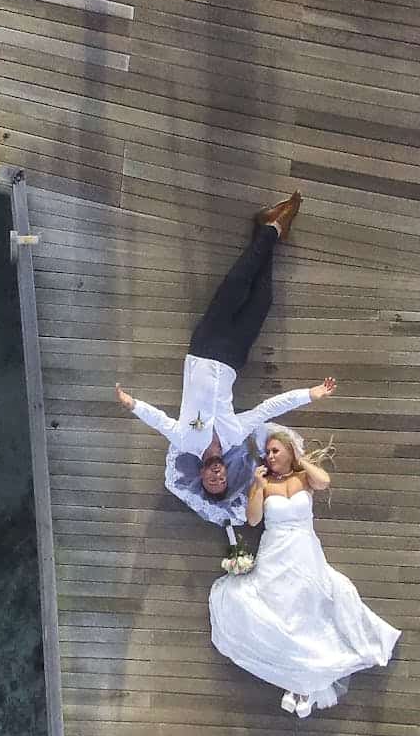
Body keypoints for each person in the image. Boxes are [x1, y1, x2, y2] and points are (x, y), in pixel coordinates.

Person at [114, 192, 336, 526]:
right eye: (222, 481)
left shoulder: (186, 440)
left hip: (204, 349)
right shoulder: (234, 438)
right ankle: (267, 229)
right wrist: (310, 394)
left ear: (201, 477)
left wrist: (132, 404)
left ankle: (273, 227)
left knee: (236, 284)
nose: (217, 477)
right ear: (226, 473)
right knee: (262, 300)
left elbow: (158, 420)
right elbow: (267, 409)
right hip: (233, 360)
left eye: (211, 482)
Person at [209, 425, 401, 718]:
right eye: (267, 452)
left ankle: (302, 687)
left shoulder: (303, 478)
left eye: (275, 450)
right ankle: (295, 683)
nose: (270, 456)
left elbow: (324, 481)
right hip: (275, 550)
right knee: (283, 614)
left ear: (288, 451)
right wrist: (258, 487)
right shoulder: (263, 482)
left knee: (308, 611)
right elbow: (252, 520)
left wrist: (302, 459)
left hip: (304, 549)